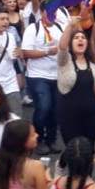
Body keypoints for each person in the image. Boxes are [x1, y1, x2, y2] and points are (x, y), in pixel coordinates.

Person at [21, 8, 63, 155]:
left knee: (55, 110)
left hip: (57, 76)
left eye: (54, 11)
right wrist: (47, 52)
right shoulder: (33, 29)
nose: (52, 15)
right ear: (43, 12)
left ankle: (51, 140)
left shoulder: (59, 28)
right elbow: (25, 52)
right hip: (37, 75)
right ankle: (38, 139)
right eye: (49, 11)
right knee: (44, 107)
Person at [57, 15, 95, 147]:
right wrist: (70, 26)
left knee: (89, 148)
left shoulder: (92, 64)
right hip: (69, 114)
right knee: (73, 148)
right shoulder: (65, 61)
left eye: (83, 38)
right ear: (71, 43)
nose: (80, 39)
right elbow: (62, 47)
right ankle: (62, 165)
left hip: (91, 113)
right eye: (76, 38)